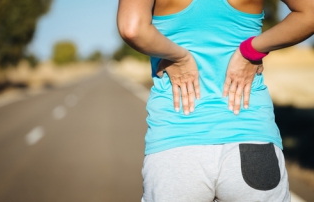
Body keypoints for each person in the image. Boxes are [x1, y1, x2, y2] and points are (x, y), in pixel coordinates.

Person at [117, 0, 314, 201]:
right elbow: (310, 13)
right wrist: (251, 50)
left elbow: (132, 28)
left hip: (176, 145)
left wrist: (179, 57)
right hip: (252, 138)